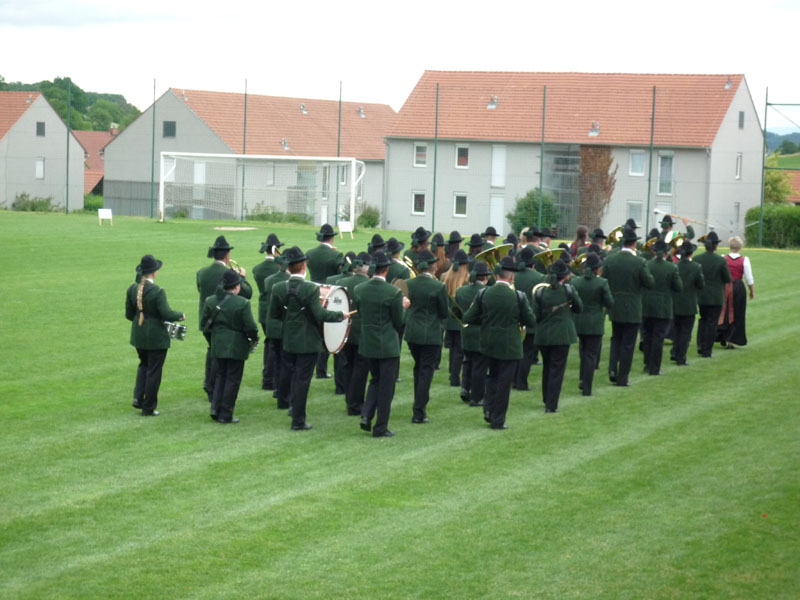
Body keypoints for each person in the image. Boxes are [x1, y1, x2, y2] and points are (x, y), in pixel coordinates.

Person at [268, 246, 347, 430]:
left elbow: (274, 315)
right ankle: (298, 420)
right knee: (302, 381)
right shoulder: (310, 288)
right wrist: (340, 315)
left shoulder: (278, 288)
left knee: (289, 374)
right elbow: (320, 314)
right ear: (303, 266)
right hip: (308, 342)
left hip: (288, 339)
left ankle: (289, 405)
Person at [463, 256, 536, 429]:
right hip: (510, 345)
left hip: (489, 342)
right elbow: (531, 321)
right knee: (504, 383)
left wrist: (486, 321)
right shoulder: (518, 296)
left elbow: (468, 317)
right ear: (512, 277)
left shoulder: (483, 294)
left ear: (497, 275)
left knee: (492, 377)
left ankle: (488, 410)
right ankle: (497, 419)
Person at [351, 251, 408, 438]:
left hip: (368, 343)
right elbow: (399, 321)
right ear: (387, 270)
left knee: (375, 381)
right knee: (386, 387)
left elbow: (360, 312)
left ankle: (366, 415)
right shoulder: (393, 292)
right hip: (387, 345)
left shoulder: (359, 289)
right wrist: (404, 307)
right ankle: (380, 426)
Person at [125, 254, 185, 416]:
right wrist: (180, 315)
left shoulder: (132, 289)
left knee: (144, 365)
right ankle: (148, 406)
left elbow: (129, 315)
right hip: (156, 337)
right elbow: (166, 313)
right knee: (154, 371)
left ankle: (138, 398)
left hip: (138, 334)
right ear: (154, 272)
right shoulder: (158, 291)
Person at [197, 236, 252, 402]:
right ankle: (212, 386)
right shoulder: (230, 274)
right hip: (225, 320)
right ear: (227, 255)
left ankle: (209, 384)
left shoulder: (201, 273)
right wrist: (242, 277)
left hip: (207, 319)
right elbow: (247, 293)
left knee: (212, 350)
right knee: (218, 356)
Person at [200, 269, 259, 424]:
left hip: (217, 343)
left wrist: (213, 339)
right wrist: (253, 339)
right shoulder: (242, 303)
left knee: (220, 377)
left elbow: (204, 324)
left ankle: (215, 409)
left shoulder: (210, 301)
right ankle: (226, 414)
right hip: (236, 345)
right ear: (237, 286)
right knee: (232, 379)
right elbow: (251, 326)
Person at [603, 227, 654, 387]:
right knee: (628, 343)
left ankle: (612, 369)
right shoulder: (639, 261)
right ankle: (622, 377)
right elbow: (649, 282)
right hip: (632, 307)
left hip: (615, 305)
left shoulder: (610, 260)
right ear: (634, 244)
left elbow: (604, 281)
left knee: (616, 339)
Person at [405, 249, 449, 423]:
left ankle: (419, 406)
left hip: (413, 333)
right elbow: (444, 312)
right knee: (425, 371)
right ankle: (419, 411)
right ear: (433, 266)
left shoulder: (408, 283)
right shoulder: (439, 286)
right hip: (430, 334)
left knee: (419, 368)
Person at [533, 260, 582, 413]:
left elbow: (536, 315)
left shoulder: (540, 292)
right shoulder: (569, 290)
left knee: (547, 367)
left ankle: (546, 398)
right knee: (557, 370)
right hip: (561, 335)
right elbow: (579, 308)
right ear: (564, 276)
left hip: (543, 335)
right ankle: (551, 404)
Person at [571, 251, 613, 396]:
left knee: (583, 353)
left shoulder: (576, 282)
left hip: (580, 322)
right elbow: (610, 302)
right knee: (590, 356)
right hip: (595, 323)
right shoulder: (602, 283)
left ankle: (582, 380)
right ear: (597, 268)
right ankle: (587, 387)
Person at [306, 224, 344, 379]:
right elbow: (340, 275)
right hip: (330, 295)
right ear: (332, 238)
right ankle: (323, 369)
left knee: (317, 331)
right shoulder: (336, 255)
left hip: (314, 293)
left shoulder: (309, 254)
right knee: (329, 332)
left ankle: (318, 368)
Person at [337, 252, 372, 416]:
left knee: (347, 366)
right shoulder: (369, 284)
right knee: (360, 368)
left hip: (344, 329)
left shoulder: (341, 282)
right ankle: (355, 403)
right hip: (362, 332)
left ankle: (350, 401)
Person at [641, 240, 683, 375]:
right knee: (658, 337)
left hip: (647, 305)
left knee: (647, 335)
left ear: (654, 251)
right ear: (666, 252)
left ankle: (647, 363)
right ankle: (654, 367)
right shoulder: (671, 267)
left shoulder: (646, 264)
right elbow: (678, 287)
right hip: (663, 306)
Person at [454, 261, 492, 407]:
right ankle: (476, 397)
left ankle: (465, 388)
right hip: (482, 332)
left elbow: (456, 312)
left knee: (468, 361)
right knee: (480, 366)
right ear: (485, 277)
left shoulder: (461, 291)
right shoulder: (488, 292)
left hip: (466, 331)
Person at [694, 231, 732, 358]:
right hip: (715, 296)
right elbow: (727, 278)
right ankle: (707, 350)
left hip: (701, 295)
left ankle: (700, 345)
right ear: (715, 245)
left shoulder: (697, 259)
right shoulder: (721, 260)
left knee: (703, 320)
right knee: (712, 323)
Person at [513, 247, 546, 390]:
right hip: (531, 320)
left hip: (514, 319)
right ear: (533, 263)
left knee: (515, 352)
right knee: (527, 354)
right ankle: (521, 382)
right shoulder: (540, 277)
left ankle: (512, 380)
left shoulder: (513, 276)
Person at [253, 233, 283, 390]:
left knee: (269, 343)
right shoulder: (279, 268)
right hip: (276, 311)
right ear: (276, 249)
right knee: (275, 346)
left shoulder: (257, 269)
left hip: (263, 310)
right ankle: (270, 379)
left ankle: (268, 377)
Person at [261, 256, 290, 409]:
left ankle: (276, 387)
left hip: (272, 325)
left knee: (277, 360)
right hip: (285, 326)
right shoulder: (289, 282)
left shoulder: (269, 280)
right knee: (286, 362)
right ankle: (282, 392)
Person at [440, 250, 471, 389]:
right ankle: (454, 377)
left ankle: (452, 374)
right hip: (460, 318)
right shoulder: (467, 279)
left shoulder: (444, 276)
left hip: (448, 319)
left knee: (453, 350)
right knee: (459, 351)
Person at [670, 240, 705, 366]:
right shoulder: (696, 267)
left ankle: (675, 352)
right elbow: (701, 285)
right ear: (691, 253)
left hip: (675, 302)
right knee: (685, 332)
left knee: (676, 329)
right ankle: (681, 357)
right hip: (689, 303)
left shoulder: (674, 266)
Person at [717, 236, 755, 348]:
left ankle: (722, 335)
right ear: (740, 247)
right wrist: (751, 291)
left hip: (725, 286)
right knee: (737, 312)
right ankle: (732, 340)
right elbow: (749, 278)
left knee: (723, 311)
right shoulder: (744, 260)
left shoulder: (723, 258)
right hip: (738, 287)